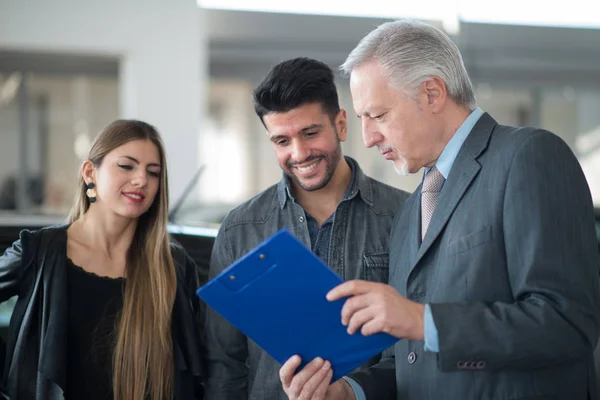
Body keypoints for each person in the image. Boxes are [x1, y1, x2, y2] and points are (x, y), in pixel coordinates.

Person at [278, 20, 600, 400]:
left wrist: (420, 319)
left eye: (378, 116)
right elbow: (411, 359)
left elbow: (567, 323)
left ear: (432, 93)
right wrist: (347, 392)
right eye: (362, 119)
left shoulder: (528, 156)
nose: (367, 138)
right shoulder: (412, 210)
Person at [203, 57, 410, 400]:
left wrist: (349, 392)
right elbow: (224, 364)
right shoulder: (240, 229)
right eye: (282, 141)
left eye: (310, 133)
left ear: (341, 125)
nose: (299, 153)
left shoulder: (403, 215)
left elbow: (412, 350)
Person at [0, 120, 205, 400]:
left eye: (153, 172)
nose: (141, 180)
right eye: (126, 166)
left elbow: (207, 366)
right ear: (89, 172)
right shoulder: (38, 252)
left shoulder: (174, 265)